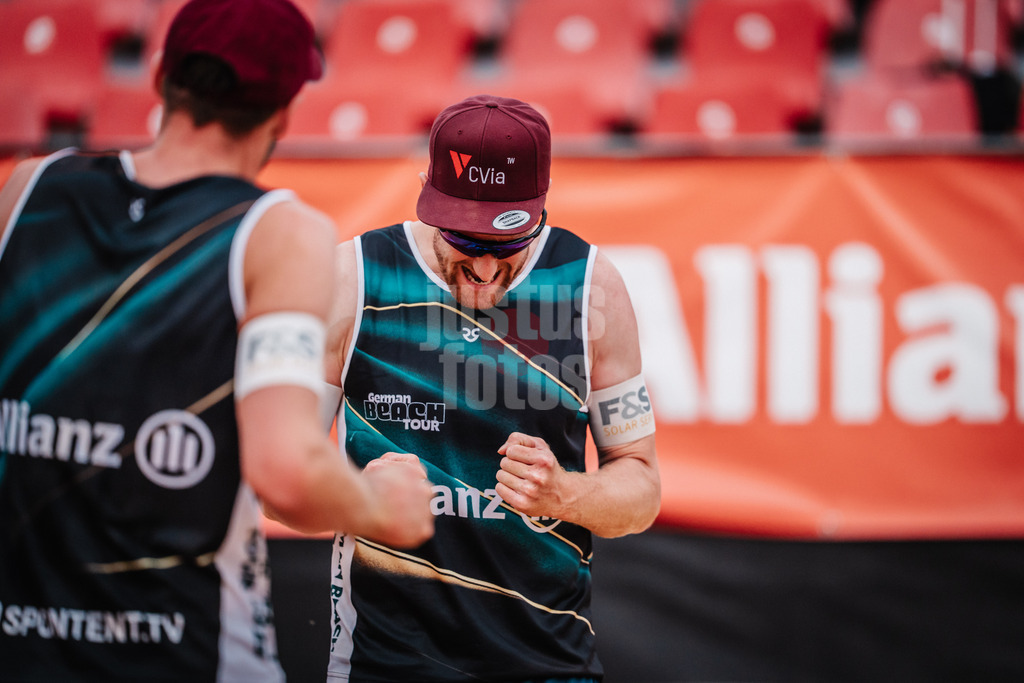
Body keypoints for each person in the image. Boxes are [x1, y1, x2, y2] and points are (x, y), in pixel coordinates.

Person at [0, 0, 433, 680]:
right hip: (182, 648)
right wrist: (383, 505)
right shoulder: (278, 234)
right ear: (283, 113)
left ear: (159, 77)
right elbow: (286, 470)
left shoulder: (29, 188)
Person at [322, 94, 661, 682]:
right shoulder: (350, 278)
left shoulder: (589, 287)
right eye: (465, 240)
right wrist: (354, 496)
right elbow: (274, 480)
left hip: (549, 664)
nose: (483, 270)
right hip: (385, 663)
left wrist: (564, 495)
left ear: (540, 207)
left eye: (506, 244)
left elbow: (643, 488)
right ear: (427, 199)